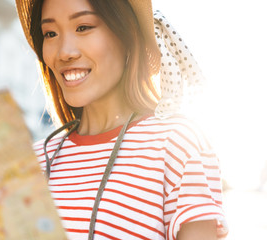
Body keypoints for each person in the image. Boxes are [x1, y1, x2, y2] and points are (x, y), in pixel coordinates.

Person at [15, 0, 228, 239]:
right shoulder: (31, 163)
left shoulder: (175, 145)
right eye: (51, 33)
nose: (64, 52)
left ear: (127, 35)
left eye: (83, 27)